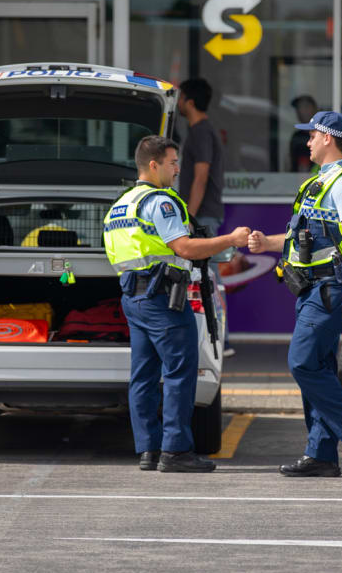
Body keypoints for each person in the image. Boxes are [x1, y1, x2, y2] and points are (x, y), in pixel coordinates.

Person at [247, 111, 342, 477]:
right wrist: (267, 244)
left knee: (302, 362)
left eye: (311, 135)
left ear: (327, 137)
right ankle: (322, 455)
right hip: (313, 288)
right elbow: (302, 238)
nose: (306, 142)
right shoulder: (318, 183)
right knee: (318, 368)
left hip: (333, 287)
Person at [103, 135, 249, 473]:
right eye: (172, 162)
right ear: (153, 165)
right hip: (162, 299)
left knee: (142, 376)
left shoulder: (120, 206)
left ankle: (149, 450)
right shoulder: (161, 202)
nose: (177, 168)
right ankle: (176, 451)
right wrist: (231, 239)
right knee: (180, 372)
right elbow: (184, 248)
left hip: (133, 297)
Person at [176, 78, 233, 356]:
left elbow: (200, 178)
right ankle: (219, 338)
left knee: (209, 277)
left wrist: (189, 218)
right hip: (205, 214)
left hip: (203, 217)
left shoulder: (200, 132)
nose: (176, 102)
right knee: (209, 276)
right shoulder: (201, 131)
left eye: (179, 96)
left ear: (189, 101)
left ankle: (221, 339)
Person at [289, 95, 317, 172]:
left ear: (314, 109)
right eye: (298, 108)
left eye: (305, 107)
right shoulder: (297, 136)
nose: (300, 111)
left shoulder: (322, 134)